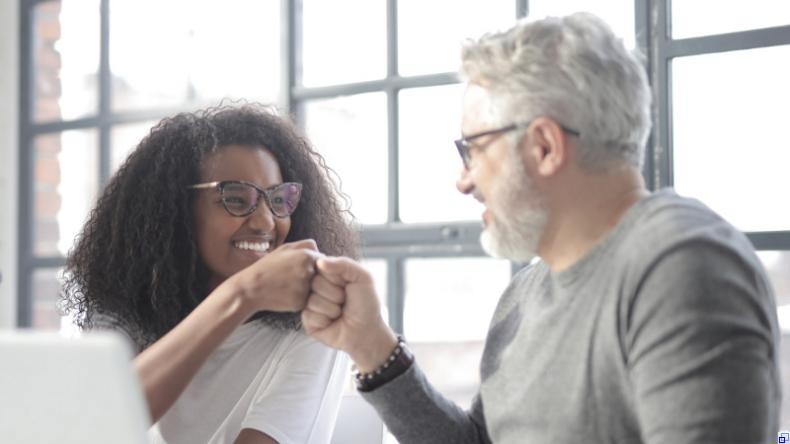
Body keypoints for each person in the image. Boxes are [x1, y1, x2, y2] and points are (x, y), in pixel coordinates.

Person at [300, 12, 781, 444]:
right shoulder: (524, 294)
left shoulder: (681, 267)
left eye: (473, 148)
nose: (463, 180)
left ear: (546, 145)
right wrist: (371, 346)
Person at [61, 103, 358, 444]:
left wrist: (245, 294)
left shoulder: (317, 320)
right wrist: (241, 295)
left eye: (279, 199)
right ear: (173, 210)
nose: (265, 222)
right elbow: (93, 424)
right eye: (235, 198)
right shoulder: (126, 309)